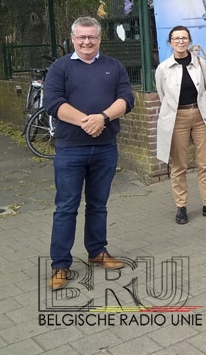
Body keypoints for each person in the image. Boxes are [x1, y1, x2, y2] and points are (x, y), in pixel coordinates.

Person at [43, 16, 135, 290]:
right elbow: (53, 103)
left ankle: (97, 252)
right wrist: (88, 121)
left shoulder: (114, 66)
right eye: (81, 37)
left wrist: (103, 118)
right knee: (66, 208)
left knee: (98, 204)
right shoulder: (60, 68)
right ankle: (60, 265)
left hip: (105, 148)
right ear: (72, 39)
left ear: (99, 39)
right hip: (70, 149)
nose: (86, 42)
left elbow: (126, 99)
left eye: (91, 37)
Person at [155, 26, 206, 225]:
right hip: (177, 117)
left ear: (189, 40)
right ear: (170, 41)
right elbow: (162, 94)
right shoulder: (163, 68)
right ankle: (181, 206)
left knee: (204, 163)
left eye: (184, 38)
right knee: (179, 165)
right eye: (176, 38)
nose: (180, 42)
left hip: (200, 116)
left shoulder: (200, 63)